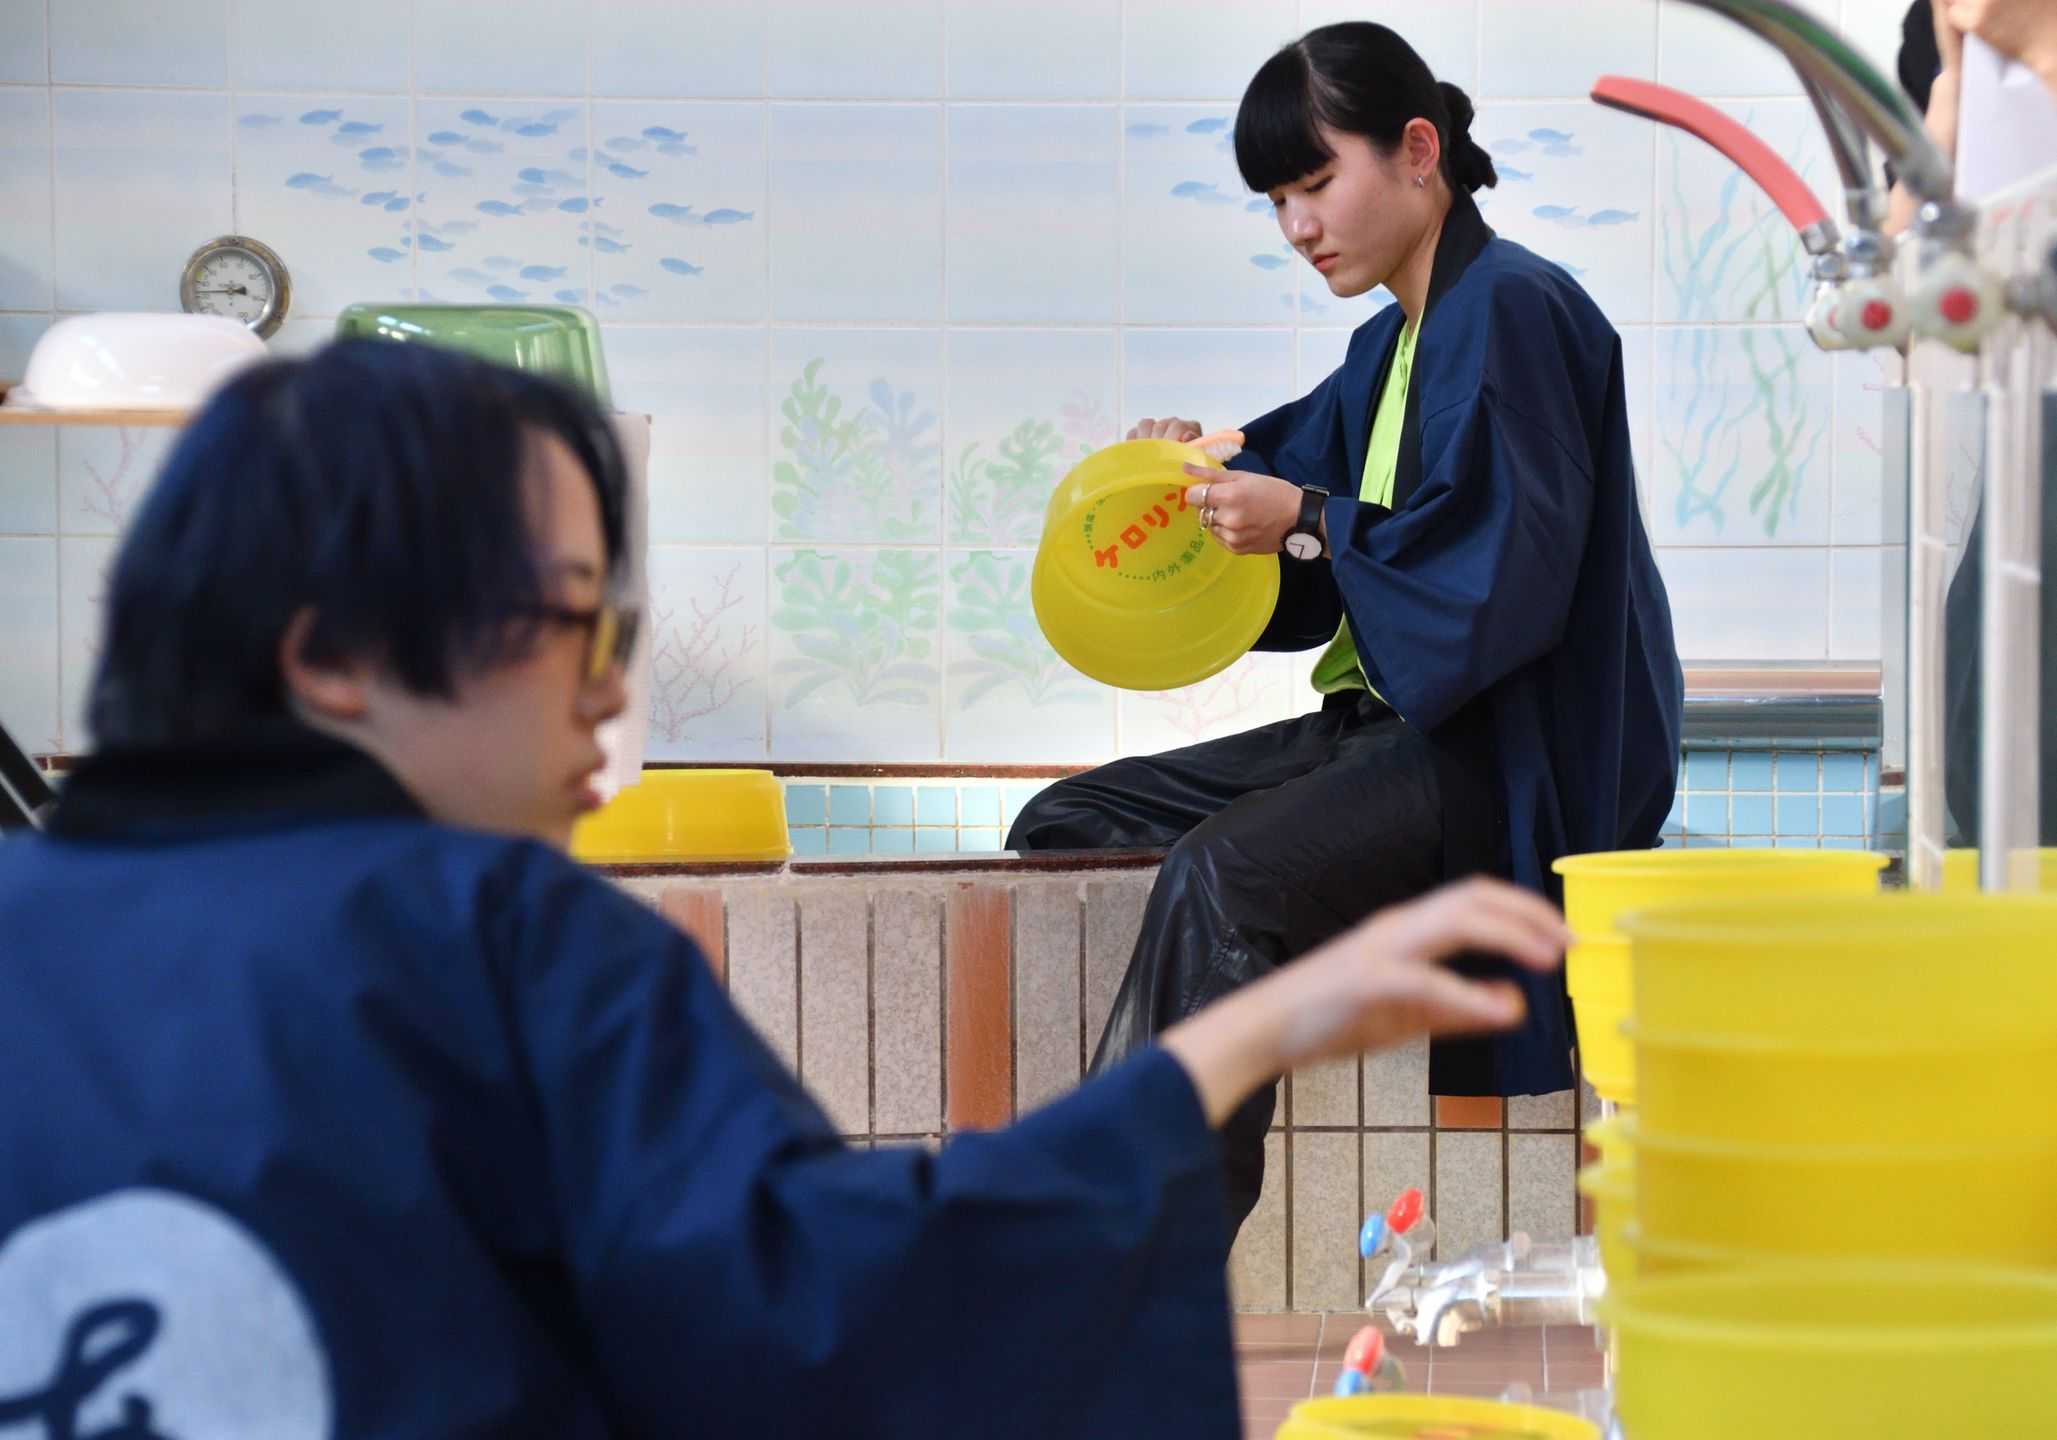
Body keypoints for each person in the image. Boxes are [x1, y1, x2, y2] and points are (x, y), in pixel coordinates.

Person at [0, 339, 1570, 1438]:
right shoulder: (505, 950)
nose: (608, 707)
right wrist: (1225, 1049)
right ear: (329, 656)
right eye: (573, 626)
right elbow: (837, 1315)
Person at [1007, 21, 1683, 1240]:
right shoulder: (1388, 349)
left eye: (1315, 183)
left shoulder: (1516, 310)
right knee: (1062, 820)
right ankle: (1166, 1115)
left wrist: (1306, 520)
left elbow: (1498, 582)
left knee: (1221, 874)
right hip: (1377, 735)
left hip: (1492, 756)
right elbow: (1287, 502)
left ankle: (1134, 1258)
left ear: (1415, 150)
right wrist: (1184, 487)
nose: (1298, 226)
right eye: (1277, 200)